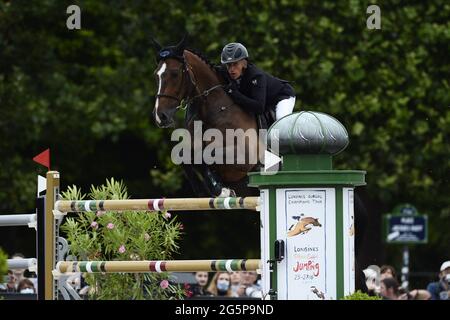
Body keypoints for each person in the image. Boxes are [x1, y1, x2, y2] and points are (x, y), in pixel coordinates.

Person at [216, 42, 296, 125]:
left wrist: (235, 94)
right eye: (228, 65)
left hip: (282, 96)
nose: (231, 69)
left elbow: (259, 108)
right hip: (264, 100)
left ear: (244, 63)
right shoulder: (226, 72)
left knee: (281, 123)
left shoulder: (256, 76)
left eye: (235, 64)